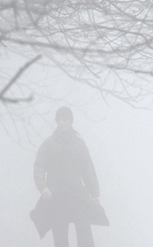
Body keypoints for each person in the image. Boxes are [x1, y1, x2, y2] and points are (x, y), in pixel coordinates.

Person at [30, 106, 108, 247]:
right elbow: (39, 167)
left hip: (77, 194)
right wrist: (43, 187)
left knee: (84, 233)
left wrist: (95, 192)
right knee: (60, 235)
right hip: (56, 196)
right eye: (59, 119)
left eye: (64, 119)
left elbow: (87, 169)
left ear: (70, 121)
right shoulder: (48, 144)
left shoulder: (79, 143)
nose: (61, 122)